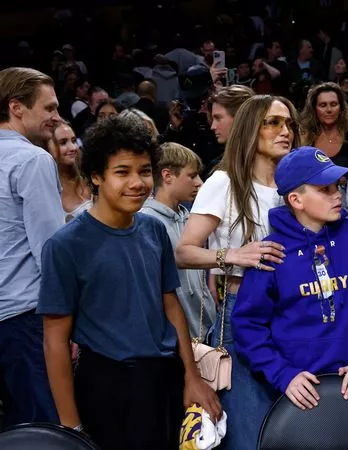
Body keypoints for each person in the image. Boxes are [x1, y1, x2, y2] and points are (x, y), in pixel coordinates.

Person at [37, 116, 221, 450]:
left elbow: (171, 305)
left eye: (144, 170)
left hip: (164, 376)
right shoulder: (66, 245)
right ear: (96, 176)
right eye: (122, 172)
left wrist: (191, 376)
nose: (137, 182)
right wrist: (70, 426)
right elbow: (54, 340)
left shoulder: (153, 231)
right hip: (108, 383)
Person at [175, 94, 302, 449]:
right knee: (250, 434)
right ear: (250, 129)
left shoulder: (296, 185)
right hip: (242, 313)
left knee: (294, 431)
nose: (285, 130)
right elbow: (183, 251)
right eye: (273, 122)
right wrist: (233, 255)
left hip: (296, 315)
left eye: (289, 122)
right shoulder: (224, 182)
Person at [232, 146, 348, 413]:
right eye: (324, 189)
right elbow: (247, 325)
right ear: (296, 200)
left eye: (337, 186)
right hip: (299, 392)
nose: (336, 195)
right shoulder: (272, 251)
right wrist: (282, 373)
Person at [0, 67, 64, 426]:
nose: (56, 117)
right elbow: (51, 251)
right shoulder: (33, 159)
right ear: (16, 107)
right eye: (49, 108)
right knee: (42, 431)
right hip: (25, 321)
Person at [141, 142, 216, 340]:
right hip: (172, 337)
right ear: (167, 176)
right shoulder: (146, 223)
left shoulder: (192, 219)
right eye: (191, 176)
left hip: (205, 328)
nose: (199, 182)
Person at [47, 120, 92, 222]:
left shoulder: (88, 181)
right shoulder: (43, 189)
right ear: (46, 147)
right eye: (63, 143)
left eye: (73, 140)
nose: (73, 147)